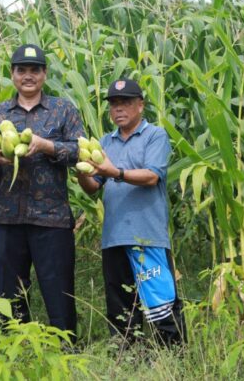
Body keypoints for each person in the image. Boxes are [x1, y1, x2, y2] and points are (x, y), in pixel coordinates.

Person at [0, 43, 84, 342]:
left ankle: (65, 347)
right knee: (10, 291)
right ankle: (15, 346)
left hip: (52, 218)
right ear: (12, 74)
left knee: (57, 287)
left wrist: (47, 145)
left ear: (44, 74)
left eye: (34, 70)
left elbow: (80, 153)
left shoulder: (63, 109)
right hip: (7, 218)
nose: (28, 76)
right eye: (21, 70)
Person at [77, 78, 185, 347]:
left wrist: (115, 172)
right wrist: (81, 172)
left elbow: (152, 176)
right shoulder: (104, 142)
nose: (119, 109)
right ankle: (128, 361)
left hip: (147, 237)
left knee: (161, 304)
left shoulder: (155, 135)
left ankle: (175, 359)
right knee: (121, 309)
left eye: (125, 102)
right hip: (114, 237)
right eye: (114, 104)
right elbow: (93, 187)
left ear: (141, 105)